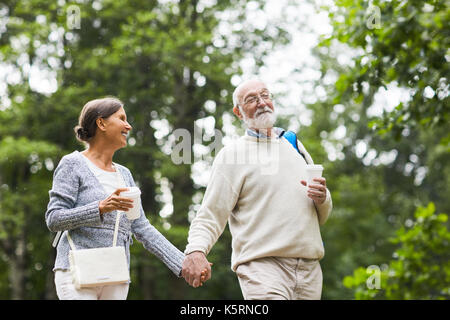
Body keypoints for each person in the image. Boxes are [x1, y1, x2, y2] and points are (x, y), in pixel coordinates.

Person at [182, 79, 333, 299]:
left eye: (265, 95)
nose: (262, 102)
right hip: (263, 269)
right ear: (238, 112)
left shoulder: (294, 145)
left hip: (310, 270)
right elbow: (211, 214)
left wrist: (323, 198)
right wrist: (196, 250)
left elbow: (320, 215)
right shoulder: (233, 155)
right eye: (252, 99)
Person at [46, 97, 208, 299]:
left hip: (116, 275)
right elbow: (54, 218)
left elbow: (141, 228)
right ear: (101, 123)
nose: (128, 126)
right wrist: (100, 208)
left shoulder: (124, 175)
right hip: (76, 271)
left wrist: (183, 263)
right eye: (121, 118)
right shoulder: (72, 164)